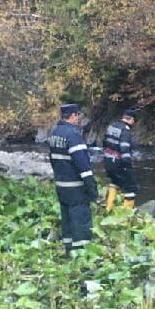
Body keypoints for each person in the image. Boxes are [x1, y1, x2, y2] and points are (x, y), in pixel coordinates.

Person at [46, 103, 98, 255]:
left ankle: (68, 250)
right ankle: (81, 253)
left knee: (66, 217)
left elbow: (52, 159)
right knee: (80, 219)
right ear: (73, 116)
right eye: (77, 116)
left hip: (61, 185)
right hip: (75, 186)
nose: (78, 119)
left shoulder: (54, 133)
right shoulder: (74, 135)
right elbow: (83, 165)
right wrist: (92, 188)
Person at [103, 107, 139, 209]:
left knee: (115, 183)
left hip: (108, 161)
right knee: (131, 188)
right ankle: (125, 216)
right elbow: (125, 150)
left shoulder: (112, 126)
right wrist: (128, 167)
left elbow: (104, 144)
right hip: (119, 163)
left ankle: (108, 209)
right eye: (134, 121)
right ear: (131, 120)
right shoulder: (125, 131)